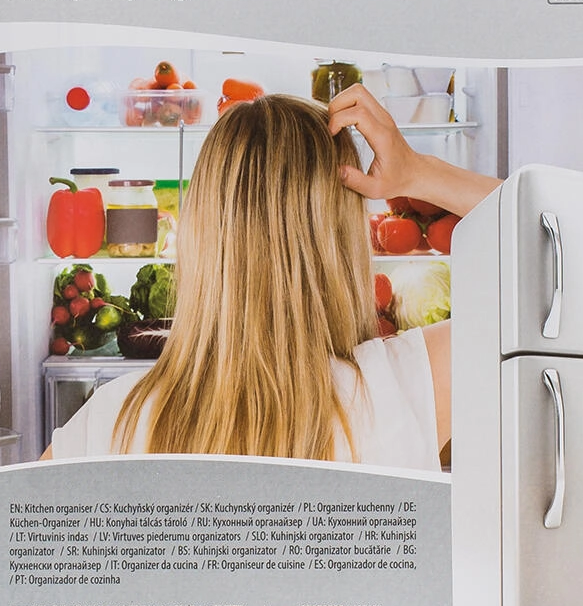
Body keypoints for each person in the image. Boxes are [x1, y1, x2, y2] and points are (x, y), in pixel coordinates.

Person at [45, 83, 500, 470]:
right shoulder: (402, 385)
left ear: (201, 235)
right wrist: (416, 172)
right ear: (342, 237)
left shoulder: (110, 422)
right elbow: (546, 237)